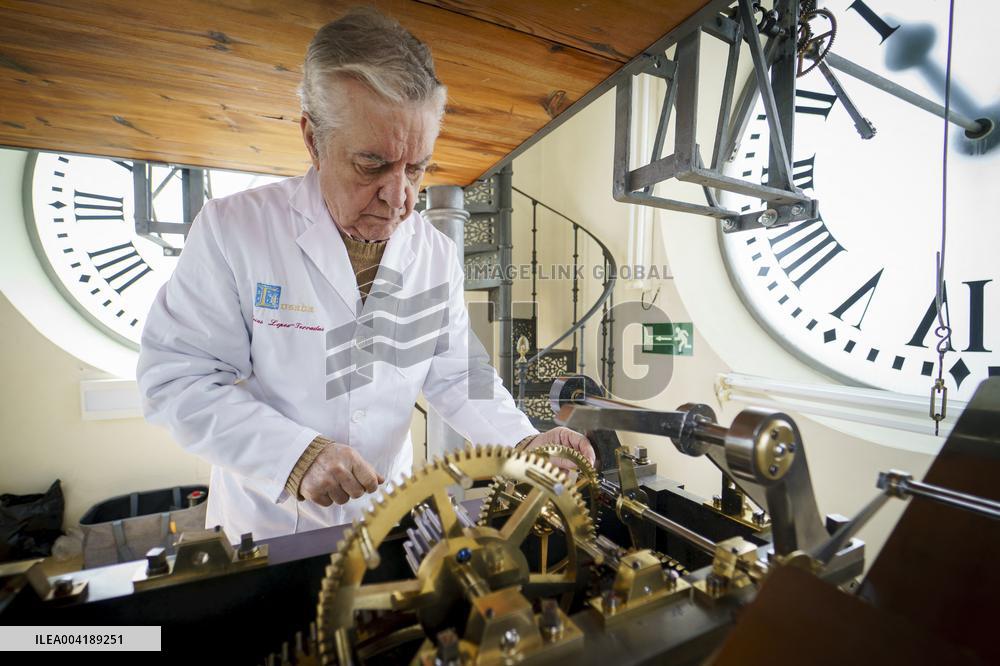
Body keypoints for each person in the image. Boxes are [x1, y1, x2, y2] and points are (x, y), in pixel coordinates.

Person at [136, 8, 594, 543]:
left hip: (387, 517)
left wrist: (524, 441)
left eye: (417, 168)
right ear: (312, 139)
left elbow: (455, 376)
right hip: (269, 522)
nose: (399, 198)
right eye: (371, 165)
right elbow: (178, 381)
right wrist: (295, 456)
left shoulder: (435, 253)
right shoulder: (233, 230)